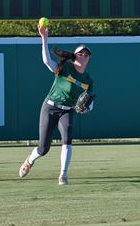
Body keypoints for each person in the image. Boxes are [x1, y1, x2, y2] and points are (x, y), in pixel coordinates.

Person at [18, 24, 94, 185]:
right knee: (43, 149)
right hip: (50, 107)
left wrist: (88, 107)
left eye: (87, 54)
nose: (84, 56)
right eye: (81, 53)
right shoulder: (65, 68)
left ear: (89, 59)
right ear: (75, 56)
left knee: (67, 139)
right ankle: (30, 160)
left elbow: (89, 101)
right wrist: (44, 38)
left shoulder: (88, 80)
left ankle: (63, 175)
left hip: (67, 111)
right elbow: (47, 61)